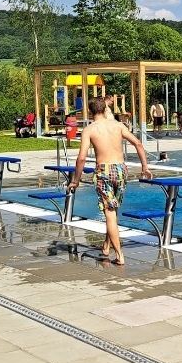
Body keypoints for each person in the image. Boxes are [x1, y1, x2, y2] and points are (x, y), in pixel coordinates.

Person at [68, 97, 153, 266]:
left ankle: (120, 255)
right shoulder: (118, 126)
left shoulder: (89, 130)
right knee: (113, 211)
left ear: (90, 111)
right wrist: (145, 167)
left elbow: (81, 158)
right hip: (121, 170)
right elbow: (138, 143)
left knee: (109, 212)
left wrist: (75, 180)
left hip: (104, 171)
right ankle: (106, 247)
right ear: (104, 109)